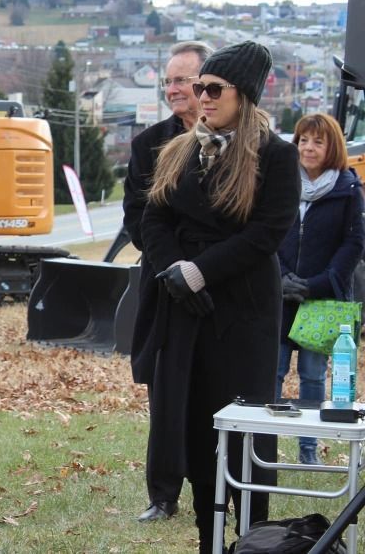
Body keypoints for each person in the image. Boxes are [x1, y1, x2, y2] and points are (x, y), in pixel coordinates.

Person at [141, 41, 299, 552]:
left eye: (213, 89)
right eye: (197, 87)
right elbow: (155, 218)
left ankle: (253, 533)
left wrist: (201, 271)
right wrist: (174, 272)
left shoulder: (275, 155)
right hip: (184, 304)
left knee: (246, 423)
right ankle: (206, 532)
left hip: (244, 308)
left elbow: (266, 234)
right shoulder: (178, 150)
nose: (199, 96)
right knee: (195, 421)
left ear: (244, 95)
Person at [123, 40, 213, 523]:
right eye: (169, 81)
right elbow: (140, 221)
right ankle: (163, 494)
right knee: (168, 393)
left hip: (222, 284)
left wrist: (207, 269)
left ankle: (221, 484)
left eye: (183, 80)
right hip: (167, 286)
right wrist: (178, 270)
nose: (174, 89)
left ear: (209, 85)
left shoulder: (235, 143)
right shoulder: (147, 145)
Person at [276, 113, 364, 464]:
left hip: (321, 300)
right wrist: (279, 276)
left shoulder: (347, 188)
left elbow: (354, 243)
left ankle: (308, 450)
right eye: (302, 140)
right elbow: (268, 234)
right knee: (273, 374)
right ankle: (262, 446)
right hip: (280, 296)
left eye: (318, 141)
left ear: (332, 147)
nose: (308, 148)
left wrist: (320, 283)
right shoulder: (281, 184)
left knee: (313, 376)